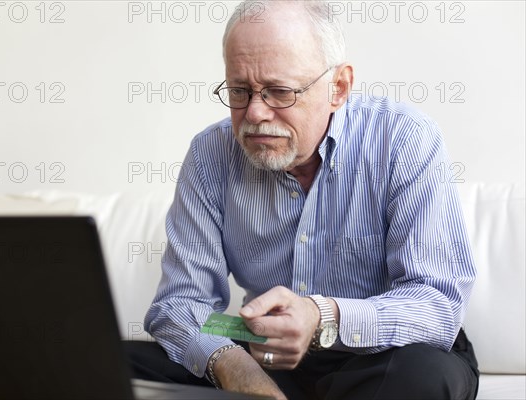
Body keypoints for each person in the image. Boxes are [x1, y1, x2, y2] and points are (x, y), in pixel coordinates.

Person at [124, 1, 479, 399]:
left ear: (338, 88)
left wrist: (321, 317)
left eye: (279, 92)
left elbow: (437, 304)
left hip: (382, 356)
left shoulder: (404, 139)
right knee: (108, 362)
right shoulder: (210, 154)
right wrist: (234, 366)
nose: (256, 113)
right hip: (264, 354)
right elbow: (179, 304)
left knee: (422, 376)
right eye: (240, 90)